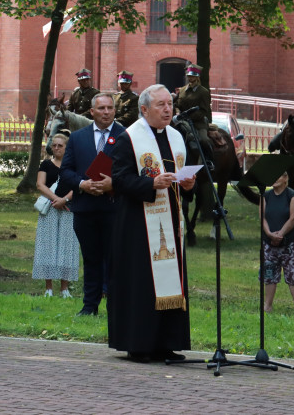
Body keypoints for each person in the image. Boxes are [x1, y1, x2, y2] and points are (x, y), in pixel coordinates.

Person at [109, 84, 196, 362]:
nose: (168, 109)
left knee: (171, 282)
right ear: (144, 109)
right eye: (161, 105)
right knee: (143, 283)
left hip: (171, 219)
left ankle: (166, 343)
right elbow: (120, 180)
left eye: (170, 103)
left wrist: (188, 183)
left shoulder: (176, 136)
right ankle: (140, 344)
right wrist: (151, 183)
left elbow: (180, 175)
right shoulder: (129, 139)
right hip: (138, 223)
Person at [56, 93, 123, 316]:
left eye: (110, 108)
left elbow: (133, 173)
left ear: (115, 110)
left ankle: (116, 306)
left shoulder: (125, 136)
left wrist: (112, 184)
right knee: (91, 258)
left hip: (114, 208)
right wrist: (82, 184)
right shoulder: (77, 137)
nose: (106, 112)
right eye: (101, 108)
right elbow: (65, 172)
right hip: (85, 209)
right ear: (92, 112)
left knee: (115, 260)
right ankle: (89, 305)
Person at [33, 133, 78, 297]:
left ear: (67, 148)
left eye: (60, 145)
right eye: (54, 145)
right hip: (50, 209)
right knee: (48, 245)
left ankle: (65, 288)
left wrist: (65, 200)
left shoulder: (73, 165)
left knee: (67, 246)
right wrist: (56, 200)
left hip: (68, 209)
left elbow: (78, 185)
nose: (57, 148)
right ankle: (49, 288)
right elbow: (40, 184)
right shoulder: (45, 164)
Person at [261, 172, 294, 315]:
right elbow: (262, 218)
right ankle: (267, 305)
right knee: (270, 273)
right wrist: (269, 234)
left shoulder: (292, 196)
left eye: (278, 176)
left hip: (289, 242)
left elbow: (293, 219)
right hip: (269, 242)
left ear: (285, 178)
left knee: (293, 273)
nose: (274, 179)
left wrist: (280, 234)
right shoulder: (266, 196)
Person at [173, 62, 213, 167]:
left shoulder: (203, 92)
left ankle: (208, 160)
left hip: (198, 123)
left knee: (204, 140)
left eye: (193, 76)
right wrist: (177, 112)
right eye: (189, 76)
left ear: (197, 77)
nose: (190, 78)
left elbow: (204, 111)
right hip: (181, 121)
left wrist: (189, 117)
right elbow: (176, 104)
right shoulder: (182, 90)